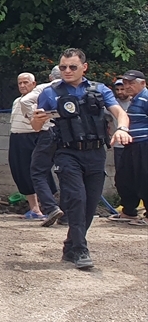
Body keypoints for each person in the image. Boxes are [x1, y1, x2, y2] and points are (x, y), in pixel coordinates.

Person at [32, 48, 131, 270]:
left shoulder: (99, 90)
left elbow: (119, 113)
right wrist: (37, 120)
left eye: (72, 67)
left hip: (96, 152)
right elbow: (37, 126)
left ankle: (70, 246)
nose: (67, 71)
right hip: (67, 152)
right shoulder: (50, 93)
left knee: (90, 203)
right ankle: (81, 249)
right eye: (63, 67)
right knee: (76, 198)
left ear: (84, 67)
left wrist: (122, 128)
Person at [20, 66, 64, 226]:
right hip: (71, 135)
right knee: (67, 172)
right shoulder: (76, 87)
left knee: (38, 171)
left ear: (51, 77)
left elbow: (25, 101)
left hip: (49, 132)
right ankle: (66, 214)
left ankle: (51, 207)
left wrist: (35, 116)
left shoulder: (45, 88)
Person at [9, 73, 46, 219]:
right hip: (16, 138)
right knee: (21, 172)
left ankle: (46, 207)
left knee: (36, 172)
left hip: (32, 137)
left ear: (34, 84)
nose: (22, 86)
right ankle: (34, 208)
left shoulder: (38, 100)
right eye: (20, 83)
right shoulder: (17, 101)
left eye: (26, 82)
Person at [112, 70, 147, 225]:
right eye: (125, 83)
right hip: (131, 144)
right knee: (124, 178)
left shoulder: (146, 98)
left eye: (131, 83)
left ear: (143, 83)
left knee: (144, 179)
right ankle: (129, 211)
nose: (127, 86)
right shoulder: (134, 100)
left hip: (144, 144)